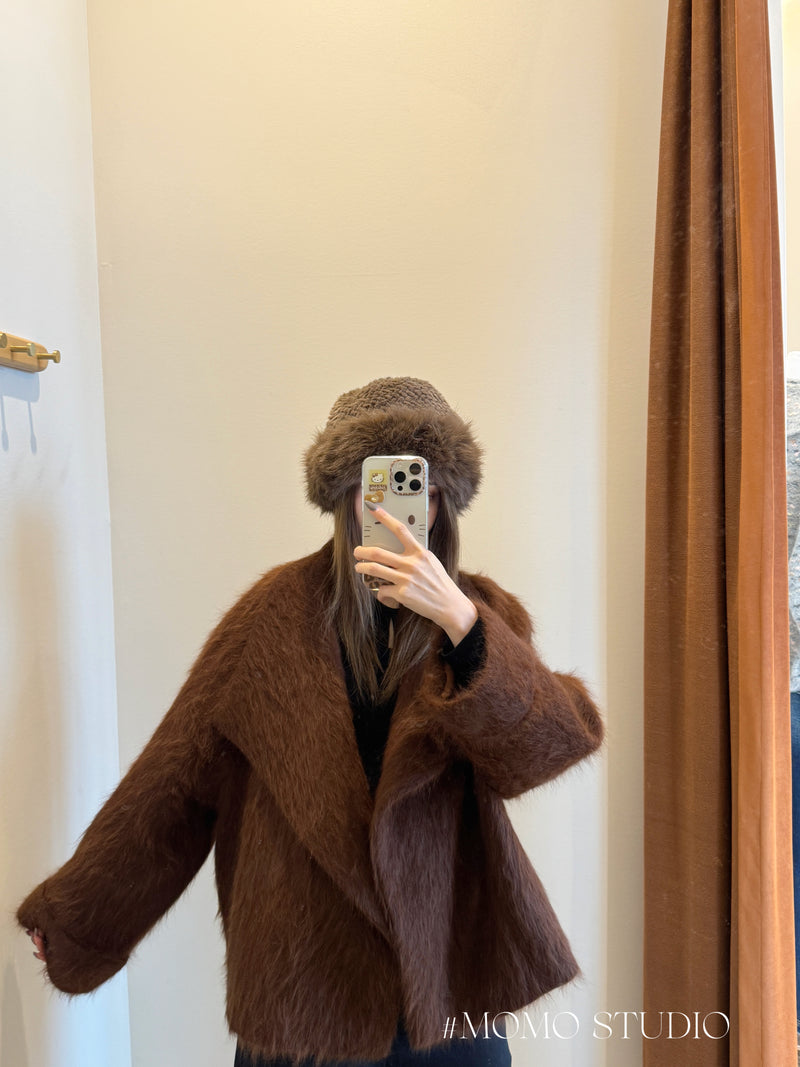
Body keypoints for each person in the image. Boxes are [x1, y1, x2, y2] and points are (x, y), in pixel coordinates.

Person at [18, 377, 605, 1067]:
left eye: (422, 487)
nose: (401, 509)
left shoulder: (480, 616)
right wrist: (83, 916)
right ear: (344, 496)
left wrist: (463, 626)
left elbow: (546, 745)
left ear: (445, 501)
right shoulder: (272, 617)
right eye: (378, 486)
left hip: (446, 990)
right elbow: (174, 782)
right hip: (303, 987)